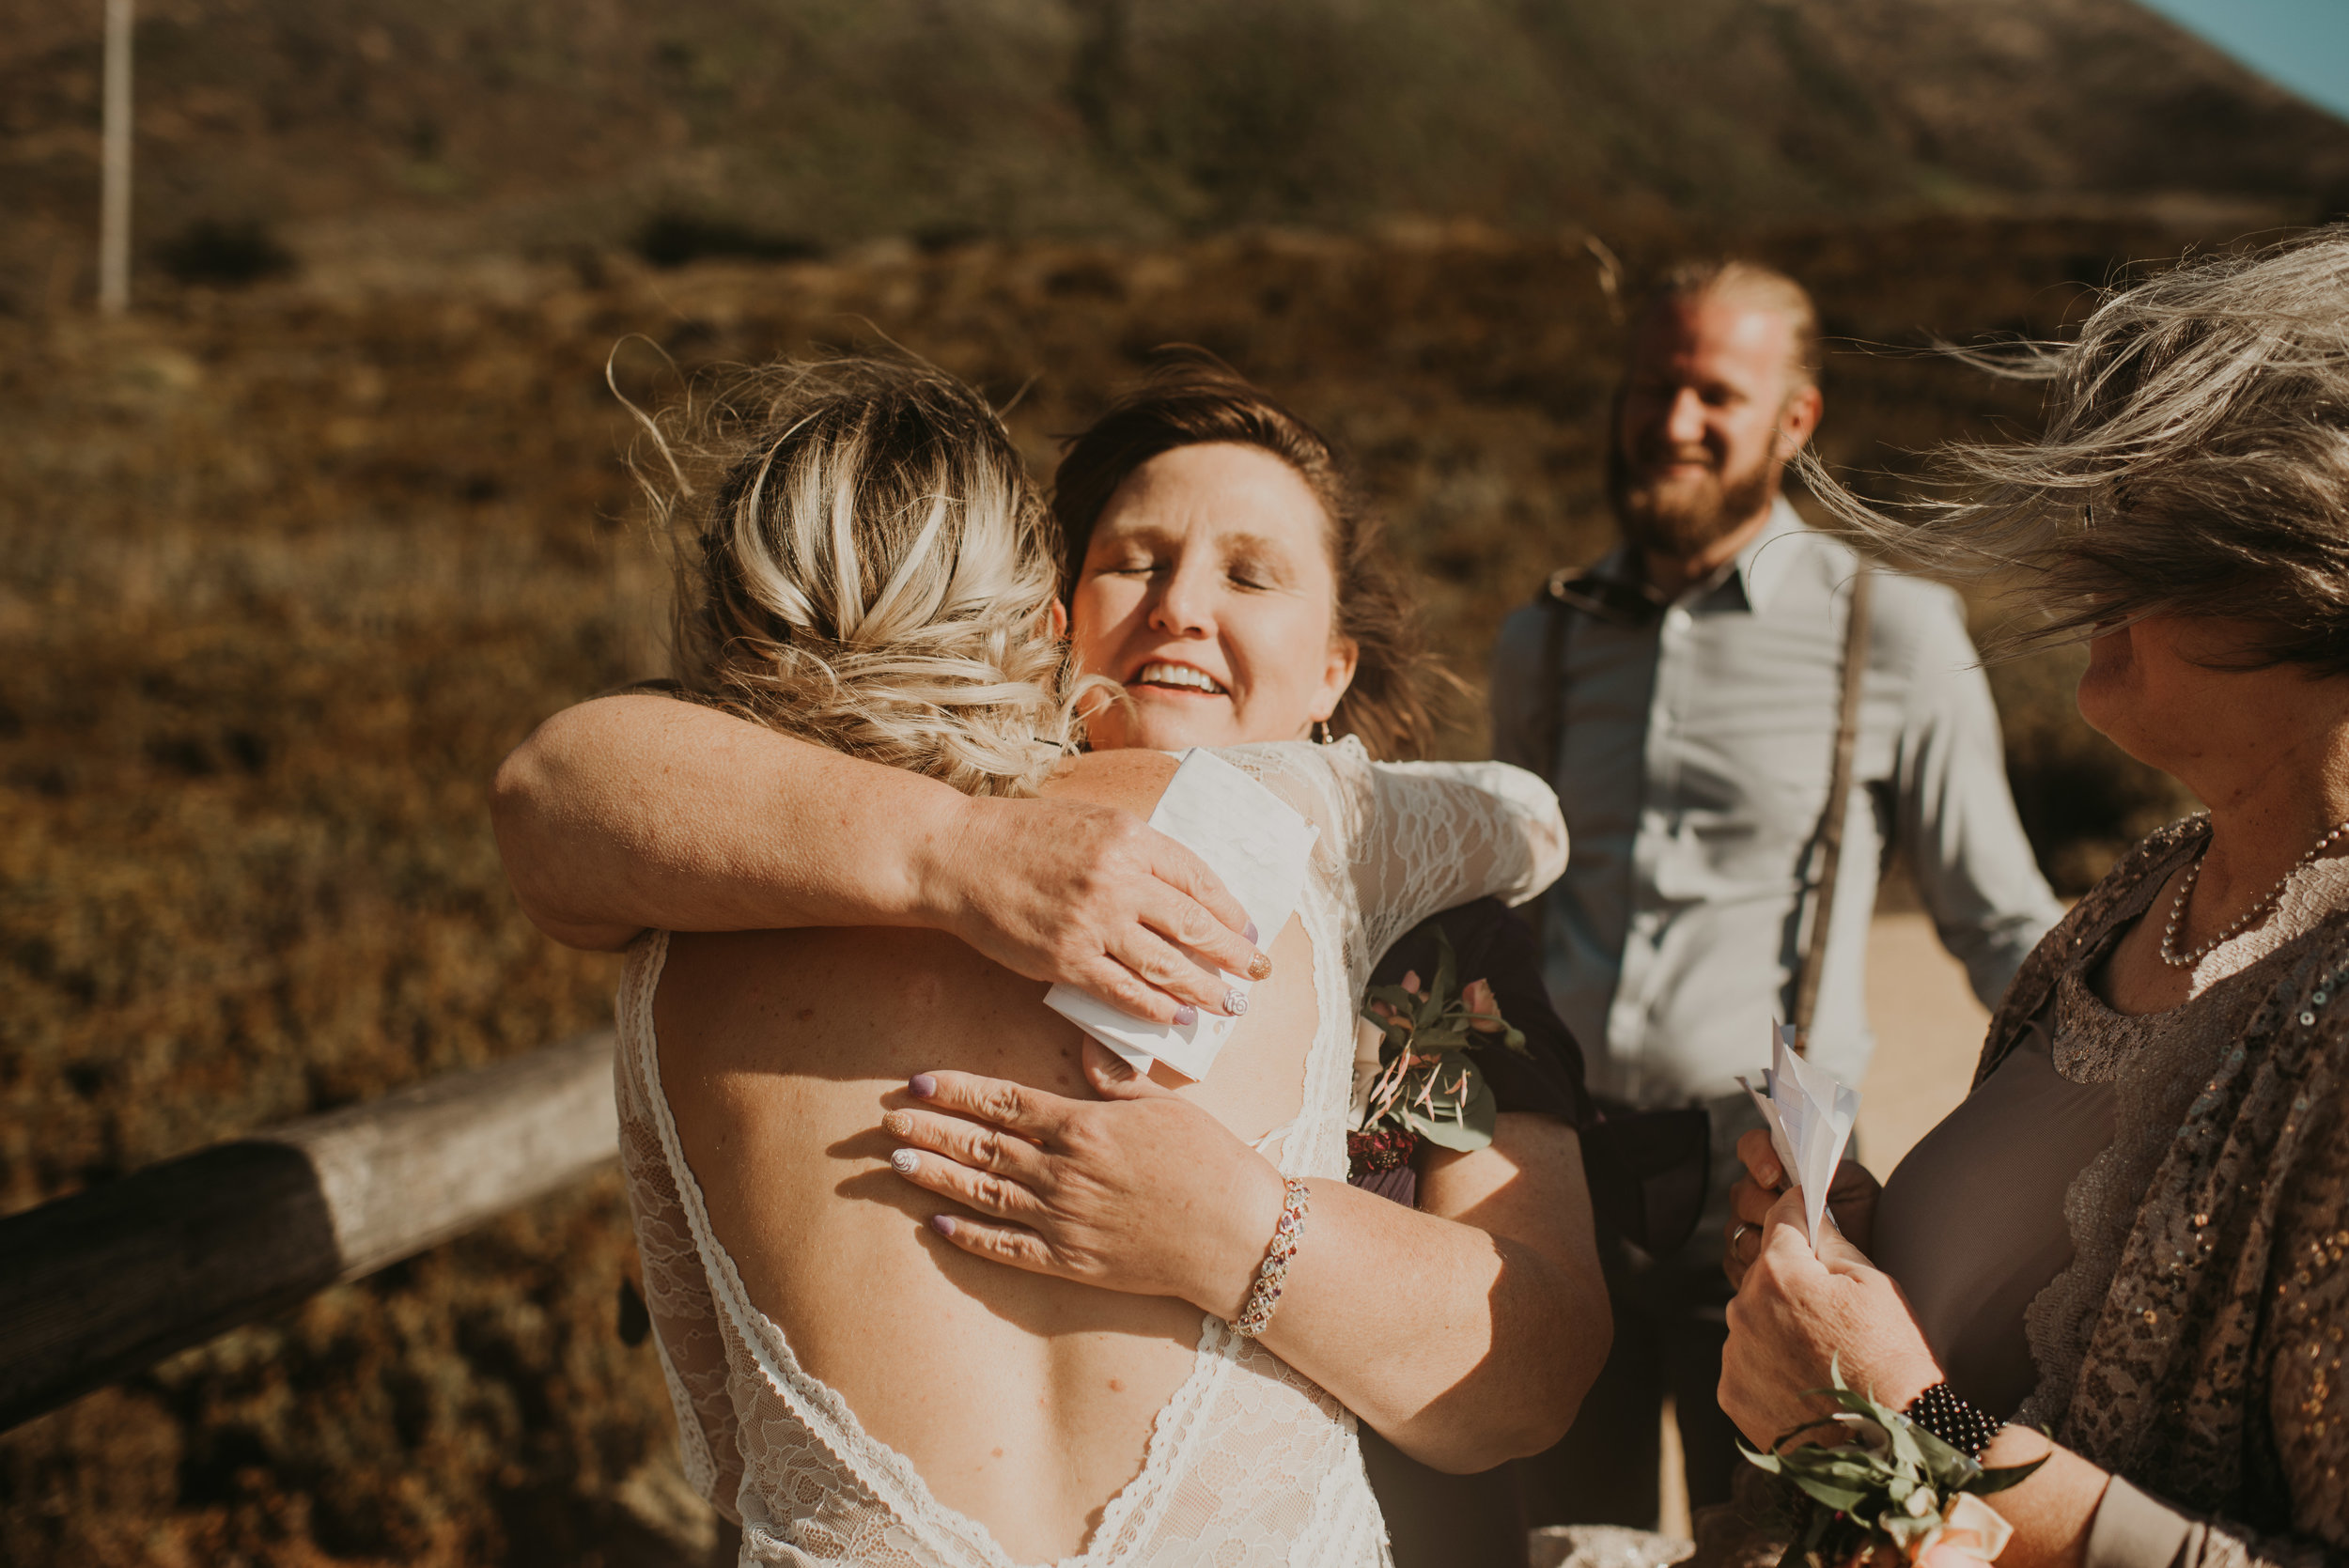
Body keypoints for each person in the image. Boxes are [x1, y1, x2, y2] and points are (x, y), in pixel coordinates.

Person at [499, 353, 1603, 1566]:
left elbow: (1534, 1364)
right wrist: (958, 851)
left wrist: (1232, 1226)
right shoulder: (780, 843)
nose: (1181, 605)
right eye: (1133, 560)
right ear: (1046, 616)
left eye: (1250, 573)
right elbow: (557, 785)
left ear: (1334, 669)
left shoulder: (1434, 928)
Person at [1718, 228, 2349, 1568]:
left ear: (2314, 560)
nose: (2090, 546)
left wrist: (1901, 1416)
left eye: (2155, 513)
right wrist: (1850, 1272)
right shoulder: (2139, 898)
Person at [1487, 260, 2066, 1525]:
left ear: (1796, 421)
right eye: (1653, 386)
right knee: (1556, 1543)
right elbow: (1511, 908)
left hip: (1768, 1201)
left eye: (1715, 392)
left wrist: (2143, 1100)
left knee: (1777, 1549)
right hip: (1554, 1182)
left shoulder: (1898, 632)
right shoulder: (1545, 636)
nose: (1675, 420)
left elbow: (2004, 927)